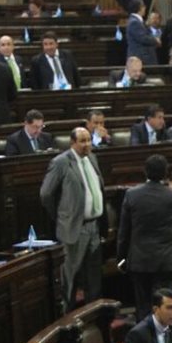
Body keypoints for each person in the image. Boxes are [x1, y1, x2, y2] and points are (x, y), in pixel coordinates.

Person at [40, 127, 105, 309]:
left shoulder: (92, 158)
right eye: (82, 141)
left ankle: (94, 312)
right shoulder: (61, 162)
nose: (86, 145)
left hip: (94, 226)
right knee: (69, 275)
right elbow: (46, 194)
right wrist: (62, 215)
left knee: (93, 274)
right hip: (73, 227)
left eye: (88, 141)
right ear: (72, 143)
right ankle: (66, 316)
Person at [118, 155, 172, 321]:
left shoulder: (132, 194)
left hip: (140, 260)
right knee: (166, 306)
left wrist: (121, 257)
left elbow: (124, 230)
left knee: (143, 307)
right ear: (165, 173)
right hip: (166, 260)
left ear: (145, 171)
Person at [125, 0, 159, 66]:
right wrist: (155, 40)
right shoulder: (134, 22)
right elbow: (143, 38)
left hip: (143, 58)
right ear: (139, 8)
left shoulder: (139, 21)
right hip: (140, 58)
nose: (145, 8)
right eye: (143, 6)